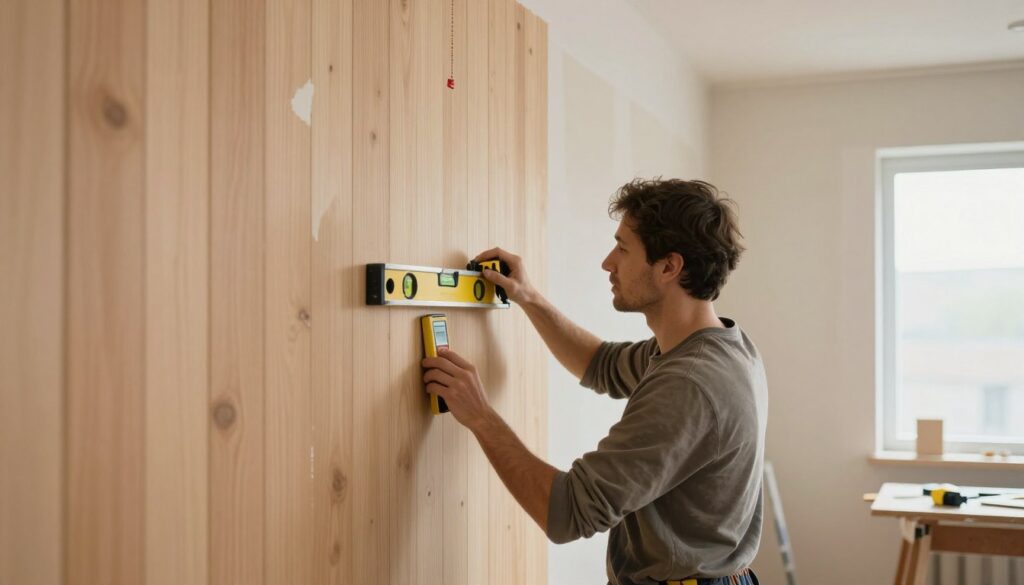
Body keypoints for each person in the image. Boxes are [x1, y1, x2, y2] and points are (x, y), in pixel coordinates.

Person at [421, 178, 767, 585]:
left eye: (623, 248)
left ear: (669, 267)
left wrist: (481, 417)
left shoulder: (689, 384)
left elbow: (567, 512)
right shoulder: (718, 347)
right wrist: (529, 297)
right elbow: (600, 364)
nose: (608, 262)